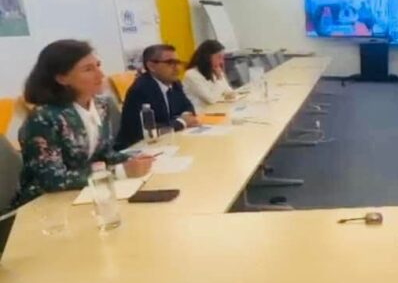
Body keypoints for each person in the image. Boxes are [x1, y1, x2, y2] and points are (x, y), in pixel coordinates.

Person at [11, 40, 154, 209]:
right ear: (62, 78)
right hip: (46, 204)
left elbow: (105, 154)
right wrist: (120, 171)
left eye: (98, 65)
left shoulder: (101, 106)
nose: (100, 74)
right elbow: (52, 180)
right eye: (88, 69)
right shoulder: (44, 117)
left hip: (87, 193)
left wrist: (134, 159)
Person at [115, 44, 199, 150]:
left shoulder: (175, 83)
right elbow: (147, 131)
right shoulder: (140, 89)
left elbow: (188, 107)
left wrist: (186, 117)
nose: (177, 67)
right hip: (136, 148)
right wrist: (182, 122)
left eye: (178, 62)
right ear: (151, 66)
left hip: (167, 143)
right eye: (170, 63)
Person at [182, 40, 236, 110]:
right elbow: (211, 99)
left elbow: (229, 91)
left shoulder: (213, 70)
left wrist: (221, 77)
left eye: (222, 58)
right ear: (207, 57)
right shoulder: (191, 74)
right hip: (200, 113)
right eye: (219, 57)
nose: (221, 61)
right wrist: (219, 78)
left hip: (215, 110)